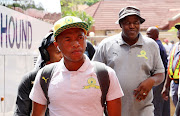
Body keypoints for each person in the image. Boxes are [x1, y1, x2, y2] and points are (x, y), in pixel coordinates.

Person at [29, 16, 124, 116]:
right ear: (57, 44)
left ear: (85, 39)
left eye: (80, 37)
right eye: (68, 39)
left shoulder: (106, 74)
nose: (76, 44)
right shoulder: (45, 76)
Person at [93, 6, 165, 116]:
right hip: (113, 109)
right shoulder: (106, 45)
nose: (132, 26)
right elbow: (94, 74)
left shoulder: (151, 45)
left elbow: (160, 74)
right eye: (127, 23)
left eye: (136, 22)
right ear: (120, 24)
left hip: (143, 109)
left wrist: (151, 81)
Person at [14, 32, 63, 116]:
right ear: (45, 54)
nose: (62, 55)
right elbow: (21, 113)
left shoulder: (72, 76)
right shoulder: (30, 79)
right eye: (58, 51)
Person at [146, 26, 170, 116]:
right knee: (163, 103)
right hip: (162, 77)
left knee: (157, 103)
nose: (146, 36)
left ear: (156, 35)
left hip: (159, 78)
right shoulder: (157, 44)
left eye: (149, 34)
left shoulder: (156, 46)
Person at [162, 23, 180, 111]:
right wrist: (166, 86)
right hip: (174, 84)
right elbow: (170, 68)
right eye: (178, 29)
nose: (179, 31)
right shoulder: (175, 47)